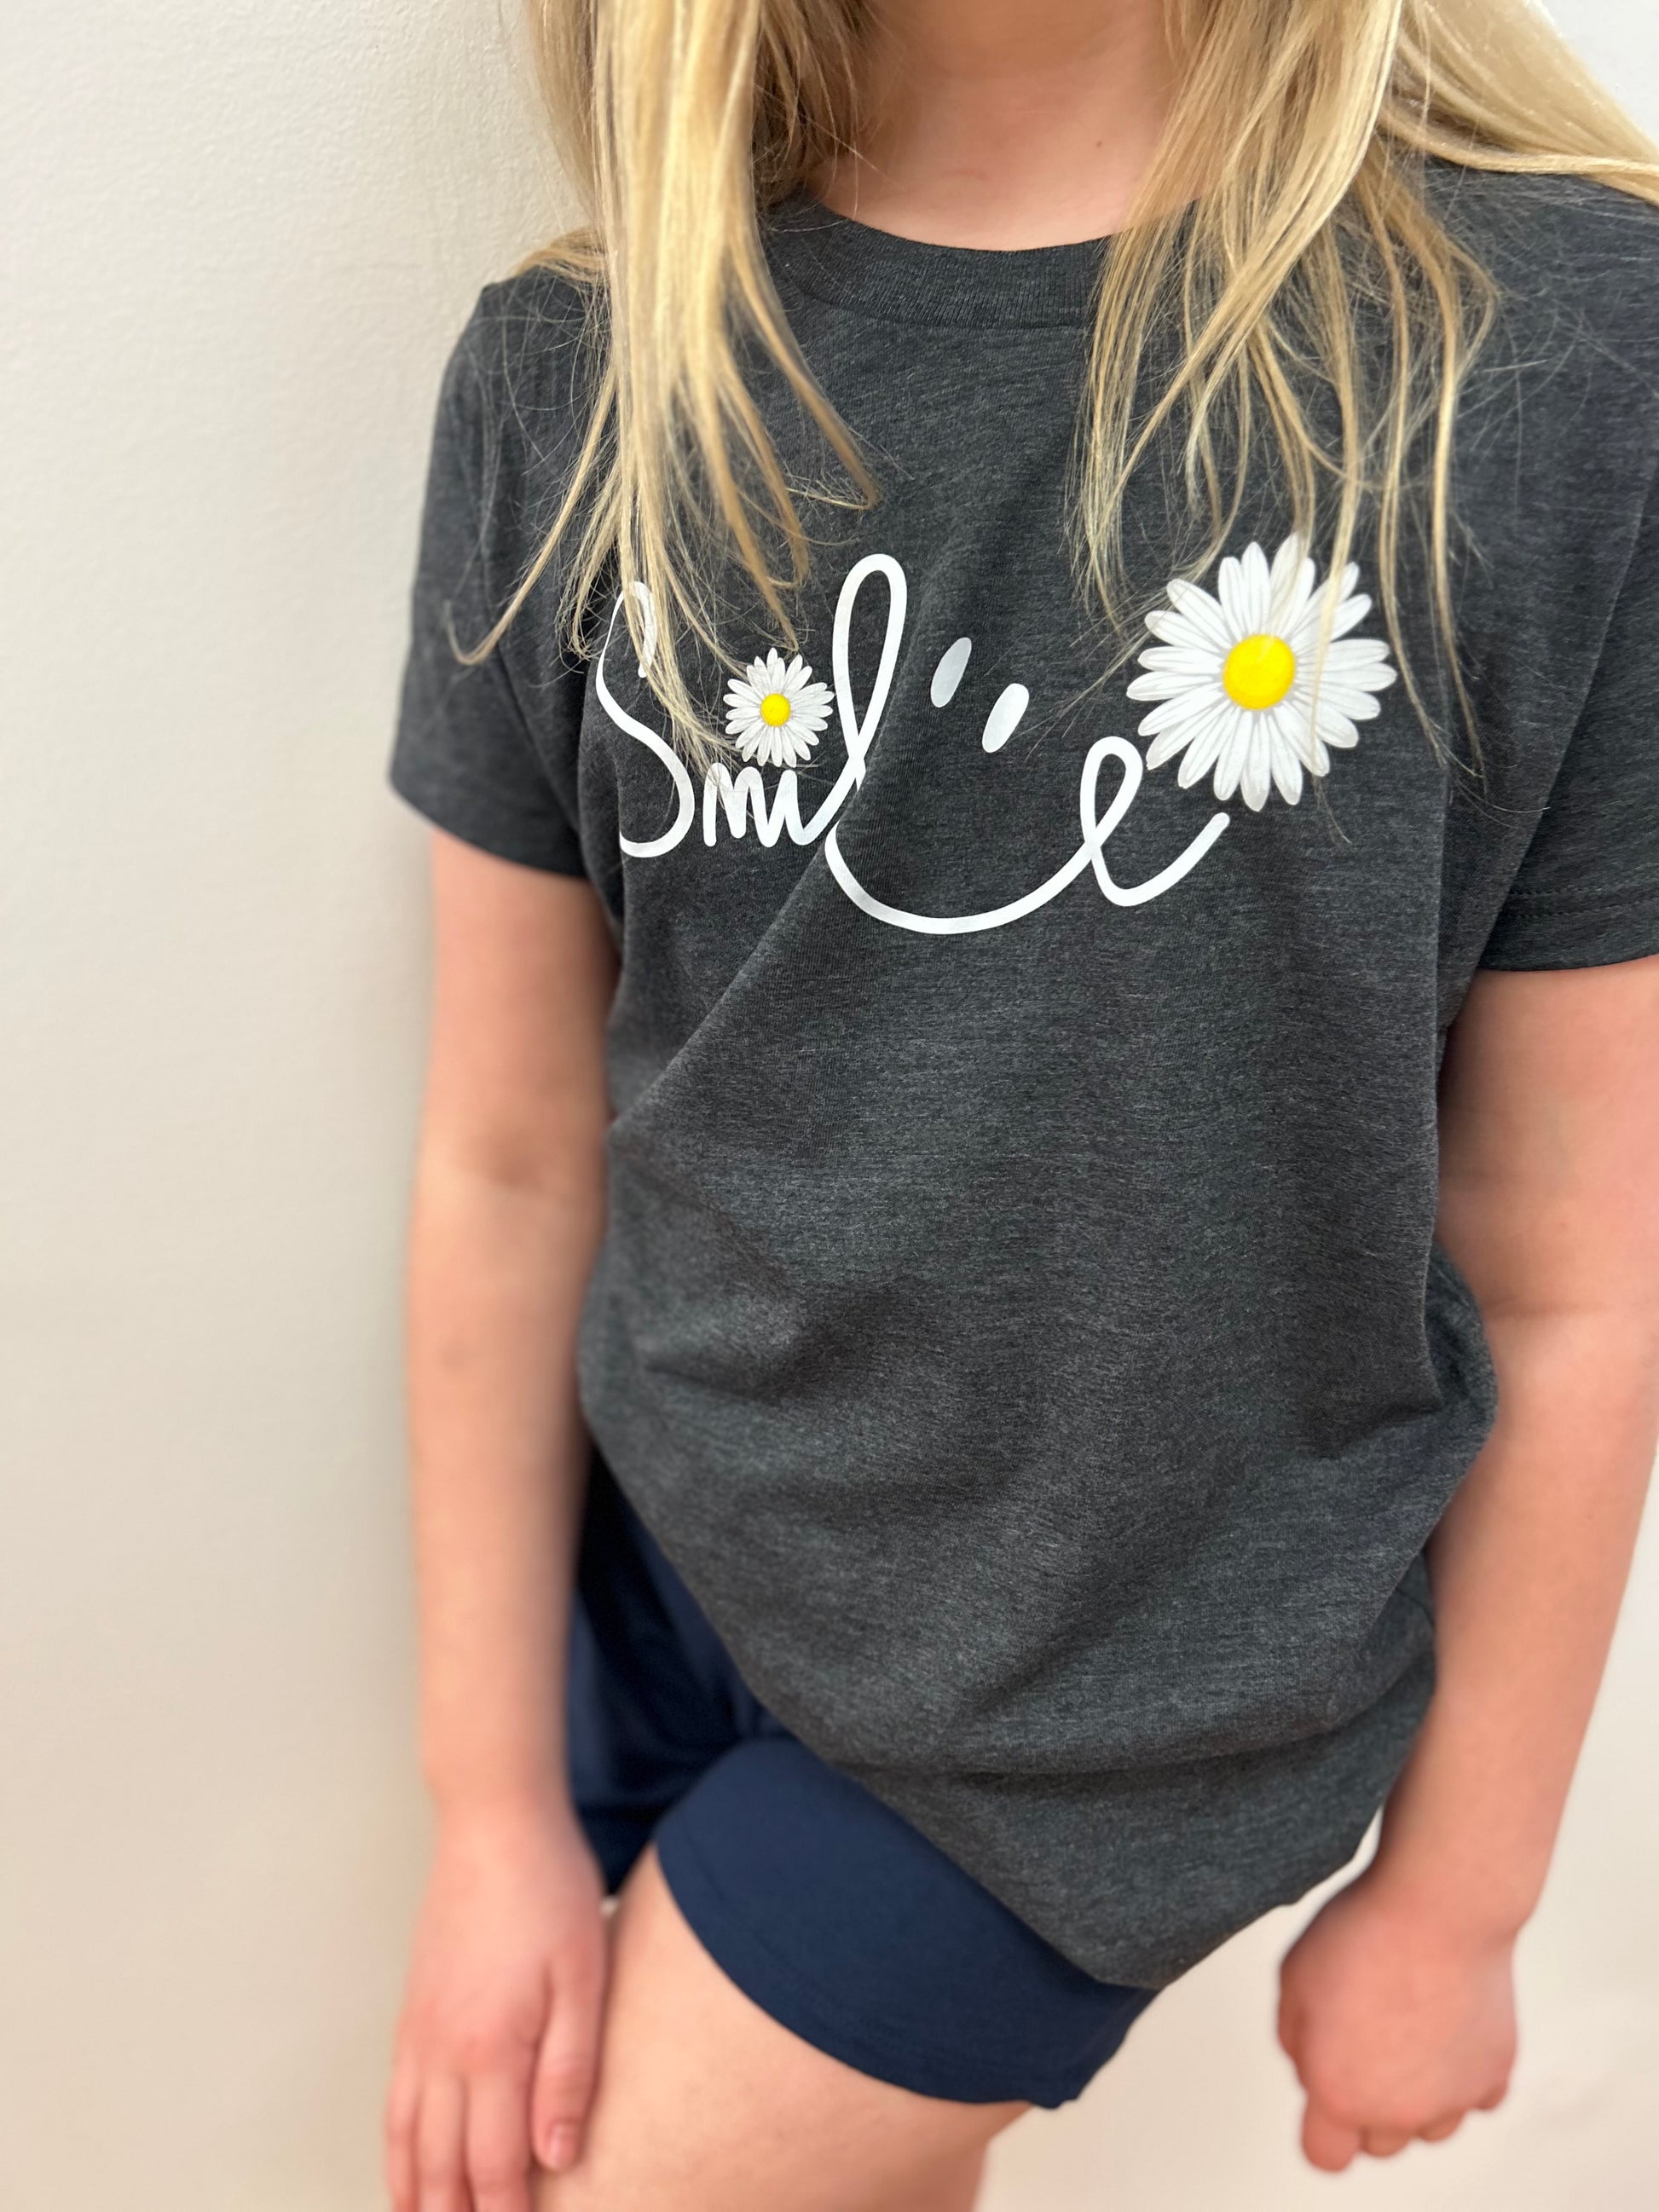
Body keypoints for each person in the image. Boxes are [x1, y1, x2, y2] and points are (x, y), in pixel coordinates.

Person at [380, 3, 1659, 2207]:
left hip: (1095, 1713)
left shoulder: (1546, 357)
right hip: (667, 1576)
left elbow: (1571, 1256)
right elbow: (507, 1159)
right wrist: (490, 1812)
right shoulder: (577, 376)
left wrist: (1463, 1891)